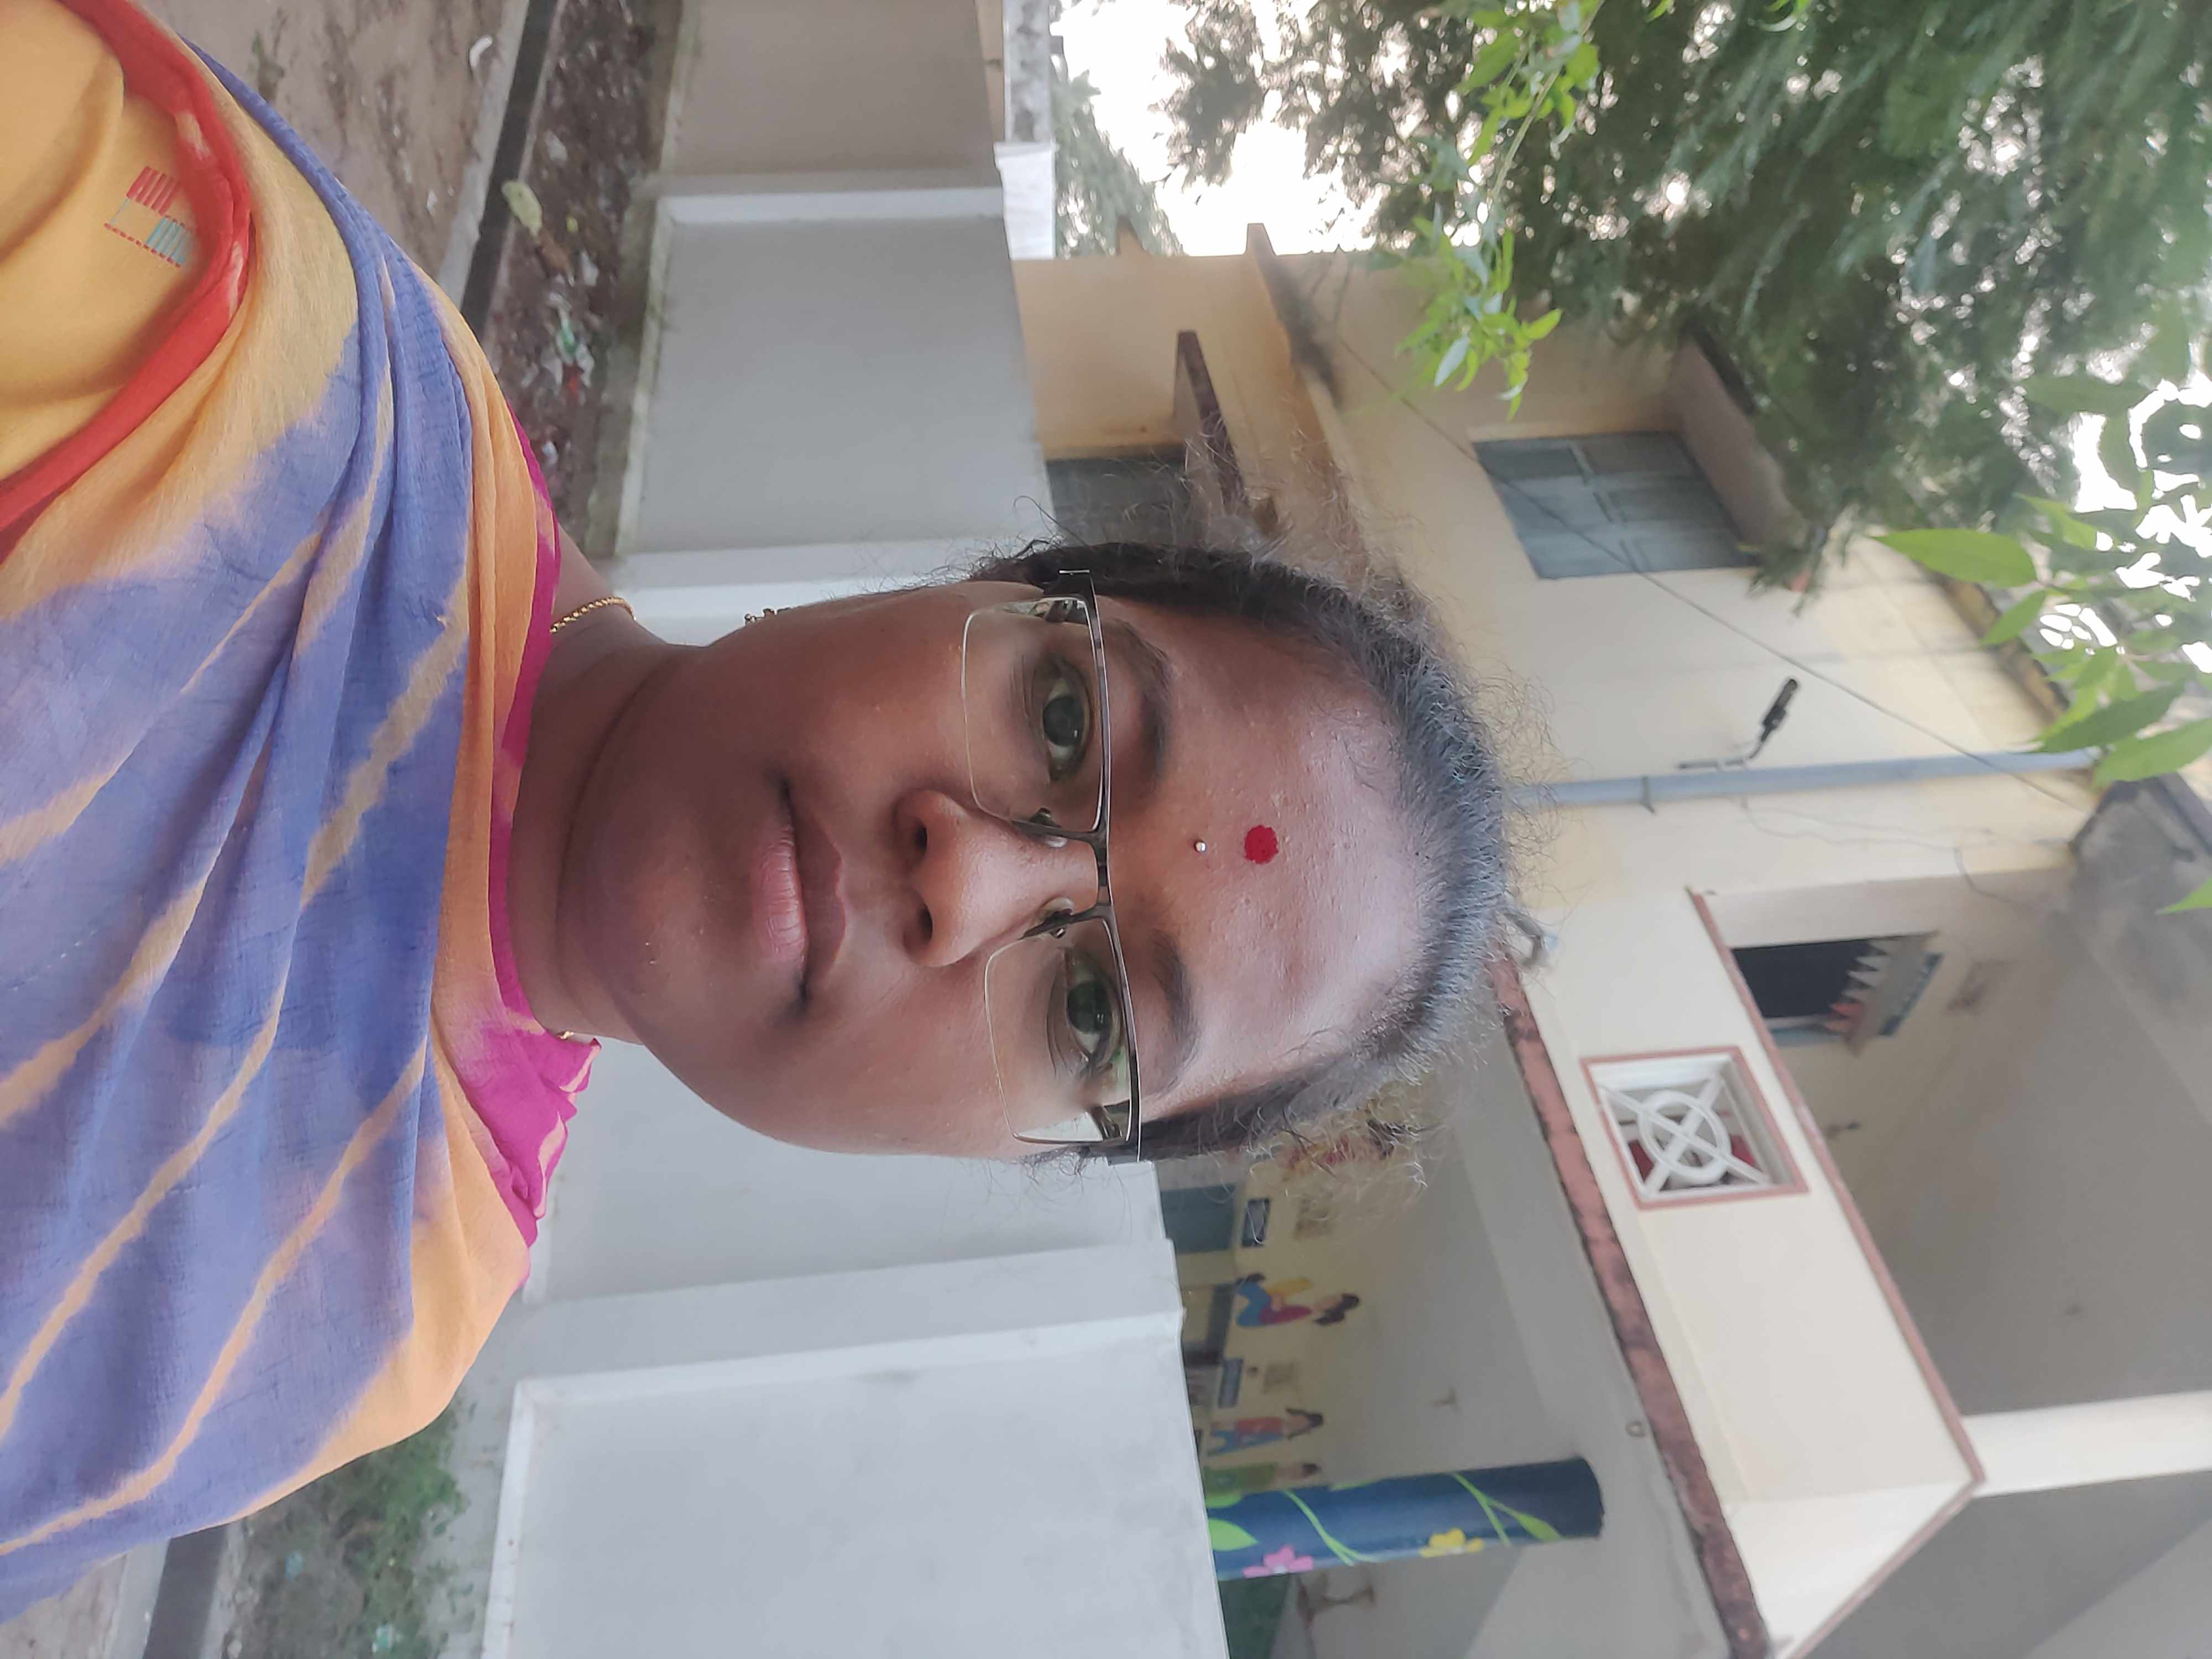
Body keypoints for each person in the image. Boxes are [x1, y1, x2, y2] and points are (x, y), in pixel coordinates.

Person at [0, 0, 1510, 1615]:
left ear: (1012, 1148)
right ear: (981, 585)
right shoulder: (192, 344)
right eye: (1063, 717)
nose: (966, 881)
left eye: (1091, 1010)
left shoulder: (385, 1308)